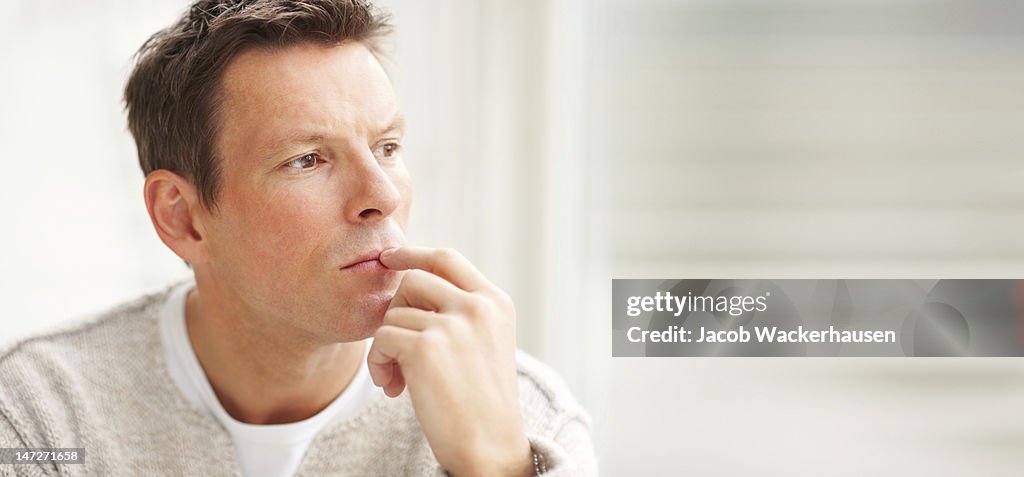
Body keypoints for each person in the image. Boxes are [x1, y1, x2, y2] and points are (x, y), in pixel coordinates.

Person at [0, 1, 596, 475]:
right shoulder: (41, 414)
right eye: (308, 160)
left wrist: (496, 467)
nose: (382, 195)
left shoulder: (521, 415)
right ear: (182, 218)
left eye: (387, 148)